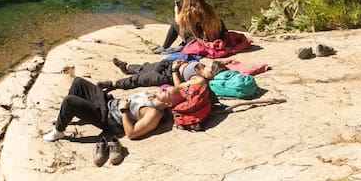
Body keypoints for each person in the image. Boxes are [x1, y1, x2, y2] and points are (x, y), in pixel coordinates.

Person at [42, 77, 184, 143]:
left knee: (70, 101)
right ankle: (64, 115)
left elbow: (132, 134)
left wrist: (124, 111)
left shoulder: (153, 114)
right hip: (108, 103)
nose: (163, 89)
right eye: (165, 88)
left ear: (169, 104)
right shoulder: (152, 95)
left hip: (108, 119)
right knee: (78, 82)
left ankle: (58, 131)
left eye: (166, 92)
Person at [154, 0, 228, 54]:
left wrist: (176, 12)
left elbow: (178, 22)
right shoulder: (208, 6)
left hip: (203, 39)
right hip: (216, 35)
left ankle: (166, 46)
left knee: (174, 24)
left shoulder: (192, 11)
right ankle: (182, 45)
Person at [97, 57, 227, 91]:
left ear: (212, 74)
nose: (208, 66)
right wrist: (182, 62)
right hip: (170, 65)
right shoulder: (203, 67)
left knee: (141, 79)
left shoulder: (200, 80)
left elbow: (178, 86)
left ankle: (114, 84)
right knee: (146, 67)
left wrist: (175, 70)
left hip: (169, 75)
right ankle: (126, 67)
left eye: (210, 68)